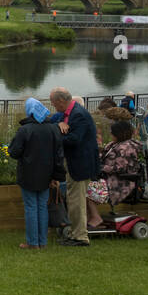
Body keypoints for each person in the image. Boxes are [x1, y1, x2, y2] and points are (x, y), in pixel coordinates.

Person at [9, 98, 65, 250]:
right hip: (47, 175)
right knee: (42, 206)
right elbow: (59, 155)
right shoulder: (53, 128)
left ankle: (33, 242)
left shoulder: (24, 130)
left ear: (30, 111)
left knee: (31, 207)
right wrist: (57, 176)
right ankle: (42, 241)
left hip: (28, 174)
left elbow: (13, 152)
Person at [49, 87, 97, 247]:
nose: (53, 106)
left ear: (61, 101)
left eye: (53, 103)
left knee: (77, 201)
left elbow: (75, 139)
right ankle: (74, 233)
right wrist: (59, 125)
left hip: (80, 165)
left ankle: (80, 237)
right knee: (73, 199)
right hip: (74, 164)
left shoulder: (79, 115)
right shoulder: (70, 113)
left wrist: (57, 135)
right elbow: (57, 124)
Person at [100, 120, 142, 207]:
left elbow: (119, 168)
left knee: (86, 190)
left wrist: (101, 167)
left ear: (118, 134)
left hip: (120, 183)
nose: (110, 134)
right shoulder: (114, 144)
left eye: (112, 133)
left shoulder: (126, 148)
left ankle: (94, 216)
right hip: (108, 178)